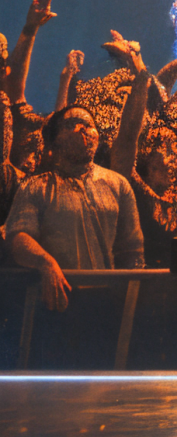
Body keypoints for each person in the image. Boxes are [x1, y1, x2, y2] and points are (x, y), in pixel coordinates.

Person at [5, 102, 145, 305]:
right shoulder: (35, 187)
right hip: (57, 300)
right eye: (72, 124)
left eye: (89, 125)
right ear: (56, 140)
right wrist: (46, 263)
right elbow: (18, 238)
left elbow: (132, 250)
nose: (82, 129)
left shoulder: (118, 185)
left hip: (107, 303)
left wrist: (131, 298)